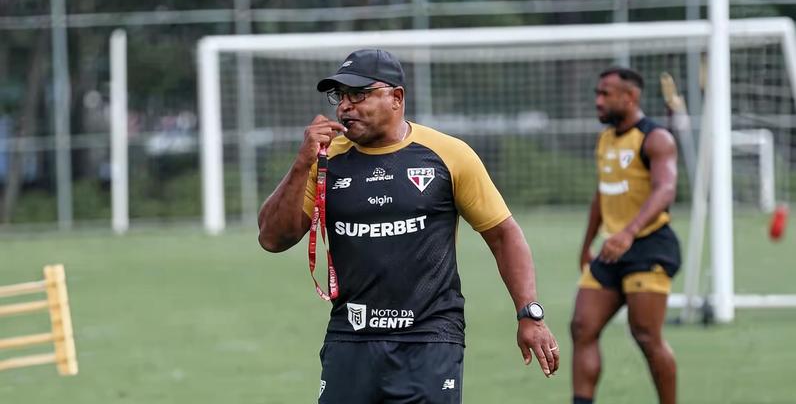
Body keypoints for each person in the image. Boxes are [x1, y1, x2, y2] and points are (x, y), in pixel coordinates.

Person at [258, 48, 559, 403]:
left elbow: (503, 235)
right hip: (350, 337)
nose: (344, 106)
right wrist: (301, 163)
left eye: (359, 95)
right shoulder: (326, 159)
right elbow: (272, 239)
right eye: (340, 96)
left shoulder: (448, 154)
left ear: (396, 97)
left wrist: (529, 313)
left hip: (429, 339)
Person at [570, 67, 680, 404]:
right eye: (597, 94)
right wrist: (588, 242)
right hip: (612, 248)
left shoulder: (656, 138)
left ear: (629, 97)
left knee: (646, 335)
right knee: (582, 327)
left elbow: (665, 190)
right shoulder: (605, 139)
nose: (598, 101)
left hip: (649, 246)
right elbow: (603, 194)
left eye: (605, 94)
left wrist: (630, 232)